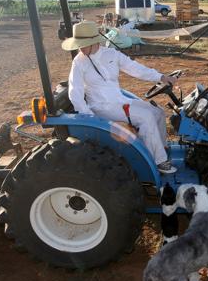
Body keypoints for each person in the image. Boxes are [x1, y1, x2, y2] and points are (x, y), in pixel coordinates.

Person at [62, 21, 179, 174]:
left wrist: (161, 77)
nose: (80, 48)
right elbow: (75, 91)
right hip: (101, 106)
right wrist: (89, 117)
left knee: (158, 112)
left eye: (83, 44)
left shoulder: (111, 54)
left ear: (94, 42)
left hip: (120, 101)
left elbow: (136, 69)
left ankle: (160, 148)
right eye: (79, 45)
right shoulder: (79, 62)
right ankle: (158, 162)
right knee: (146, 117)